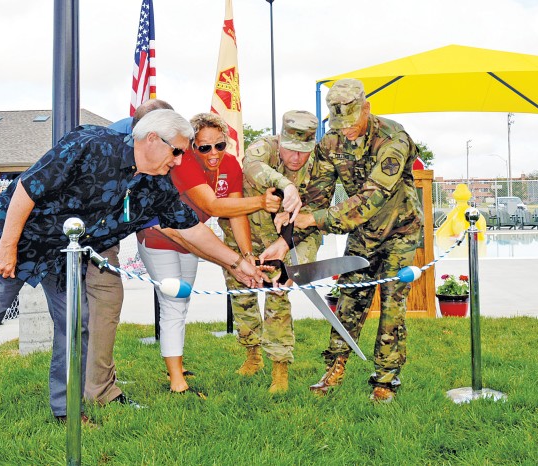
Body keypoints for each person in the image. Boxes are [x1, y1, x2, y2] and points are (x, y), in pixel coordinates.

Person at [0, 109, 266, 448]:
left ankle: (66, 409)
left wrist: (235, 263)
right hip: (13, 237)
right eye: (178, 151)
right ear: (152, 139)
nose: (181, 160)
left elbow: (189, 230)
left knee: (75, 325)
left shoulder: (154, 184)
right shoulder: (91, 144)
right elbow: (28, 187)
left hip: (62, 254)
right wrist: (7, 246)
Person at [292, 78, 423, 403]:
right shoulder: (332, 142)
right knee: (350, 300)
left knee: (393, 305)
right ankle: (335, 366)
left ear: (366, 109)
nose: (346, 131)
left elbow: (371, 198)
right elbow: (319, 193)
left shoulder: (393, 139)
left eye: (351, 123)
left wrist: (317, 219)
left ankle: (386, 380)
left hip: (400, 232)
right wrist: (297, 220)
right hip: (362, 235)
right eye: (339, 124)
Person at [136, 112, 282, 395]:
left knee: (183, 301)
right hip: (161, 237)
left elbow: (236, 211)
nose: (213, 153)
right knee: (173, 304)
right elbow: (213, 206)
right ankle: (177, 381)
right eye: (204, 147)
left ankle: (176, 363)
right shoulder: (184, 162)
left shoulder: (229, 164)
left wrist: (247, 253)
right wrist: (262, 202)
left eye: (219, 145)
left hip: (194, 237)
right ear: (193, 146)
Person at [231, 110, 331, 393]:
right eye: (291, 150)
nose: (297, 159)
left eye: (304, 151)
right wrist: (286, 186)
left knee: (278, 291)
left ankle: (280, 368)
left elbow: (314, 213)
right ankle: (252, 354)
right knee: (242, 294)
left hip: (290, 236)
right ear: (281, 139)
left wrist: (288, 244)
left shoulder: (319, 166)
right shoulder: (262, 149)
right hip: (246, 232)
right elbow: (251, 166)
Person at [84, 98, 174, 407]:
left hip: (103, 235)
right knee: (87, 309)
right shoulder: (108, 144)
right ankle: (94, 388)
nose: (174, 157)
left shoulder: (157, 147)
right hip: (73, 236)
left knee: (106, 303)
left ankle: (100, 384)